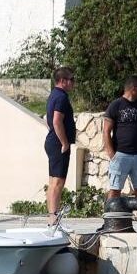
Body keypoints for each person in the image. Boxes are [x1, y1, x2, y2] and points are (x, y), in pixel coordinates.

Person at [103, 76, 137, 217]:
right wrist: (112, 154)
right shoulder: (116, 105)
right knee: (115, 190)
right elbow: (106, 131)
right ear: (133, 88)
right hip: (121, 154)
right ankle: (109, 220)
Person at [43, 66, 77, 228]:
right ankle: (53, 218)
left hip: (52, 141)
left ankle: (52, 217)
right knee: (57, 182)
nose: (73, 83)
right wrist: (64, 142)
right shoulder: (61, 97)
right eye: (71, 79)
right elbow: (56, 121)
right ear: (63, 81)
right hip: (58, 144)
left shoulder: (54, 95)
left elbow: (49, 119)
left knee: (53, 182)